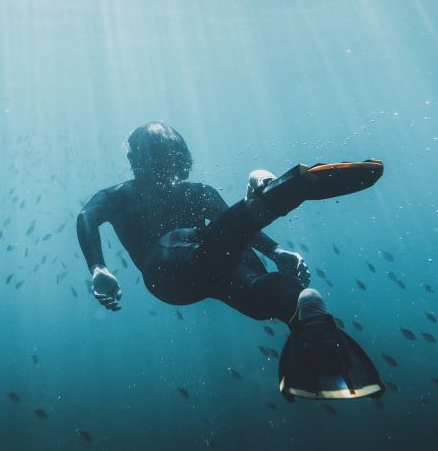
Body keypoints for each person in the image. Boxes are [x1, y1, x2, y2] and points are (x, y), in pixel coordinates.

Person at [76, 122, 386, 400]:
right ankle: (266, 212)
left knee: (255, 297)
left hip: (171, 278)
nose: (130, 158)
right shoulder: (197, 192)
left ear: (136, 159)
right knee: (243, 272)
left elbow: (86, 217)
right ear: (178, 157)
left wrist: (97, 266)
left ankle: (302, 314)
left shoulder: (115, 197)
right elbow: (234, 230)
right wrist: (277, 252)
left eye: (133, 153)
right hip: (206, 258)